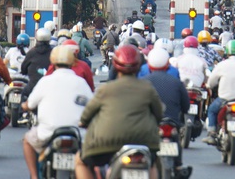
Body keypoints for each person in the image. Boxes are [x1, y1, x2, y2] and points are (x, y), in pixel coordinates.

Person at [74, 45, 163, 179]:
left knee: (80, 161)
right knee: (153, 163)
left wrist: (84, 122)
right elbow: (159, 114)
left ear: (115, 66)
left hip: (105, 144)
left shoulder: (106, 89)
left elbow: (87, 114)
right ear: (139, 65)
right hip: (144, 142)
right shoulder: (147, 88)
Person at [22, 46, 93, 179]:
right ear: (73, 62)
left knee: (27, 141)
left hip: (47, 134)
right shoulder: (81, 83)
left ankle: (34, 176)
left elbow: (30, 104)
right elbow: (92, 106)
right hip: (78, 135)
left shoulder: (45, 81)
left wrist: (25, 106)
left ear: (52, 62)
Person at [202, 40, 235, 145]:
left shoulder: (221, 65)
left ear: (227, 51)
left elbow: (211, 82)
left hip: (224, 99)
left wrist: (210, 85)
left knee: (212, 111)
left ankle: (212, 133)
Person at [21, 28, 53, 96]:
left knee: (24, 96)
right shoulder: (54, 53)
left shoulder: (31, 52)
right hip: (49, 87)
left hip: (33, 86)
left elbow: (23, 68)